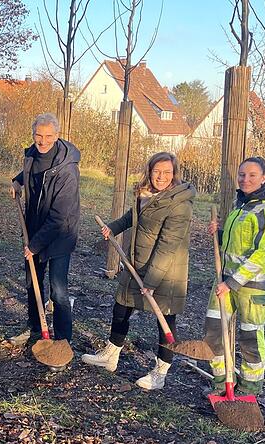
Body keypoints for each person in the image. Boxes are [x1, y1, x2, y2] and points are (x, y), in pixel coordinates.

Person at [82, 152, 196, 391]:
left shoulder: (179, 204)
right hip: (137, 263)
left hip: (166, 271)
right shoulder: (145, 194)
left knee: (164, 318)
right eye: (157, 171)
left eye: (167, 172)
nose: (161, 177)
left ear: (174, 174)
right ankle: (110, 355)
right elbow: (132, 217)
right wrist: (113, 227)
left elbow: (167, 246)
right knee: (121, 306)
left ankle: (160, 372)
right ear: (149, 171)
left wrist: (152, 281)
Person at [203, 156, 265, 396]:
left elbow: (261, 254)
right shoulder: (240, 205)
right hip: (224, 280)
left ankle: (249, 389)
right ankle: (221, 383)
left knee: (249, 337)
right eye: (242, 175)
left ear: (263, 178)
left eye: (251, 175)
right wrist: (219, 234)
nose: (245, 179)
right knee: (214, 330)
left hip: (253, 287)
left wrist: (232, 283)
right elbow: (234, 246)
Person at [7, 113, 81, 369]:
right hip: (35, 228)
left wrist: (35, 245)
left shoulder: (68, 170)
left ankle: (62, 340)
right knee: (32, 283)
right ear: (33, 134)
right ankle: (36, 329)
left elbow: (59, 217)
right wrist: (18, 181)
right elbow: (32, 172)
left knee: (57, 289)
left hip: (60, 234)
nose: (43, 140)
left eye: (49, 136)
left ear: (57, 136)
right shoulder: (32, 155)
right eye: (39, 135)